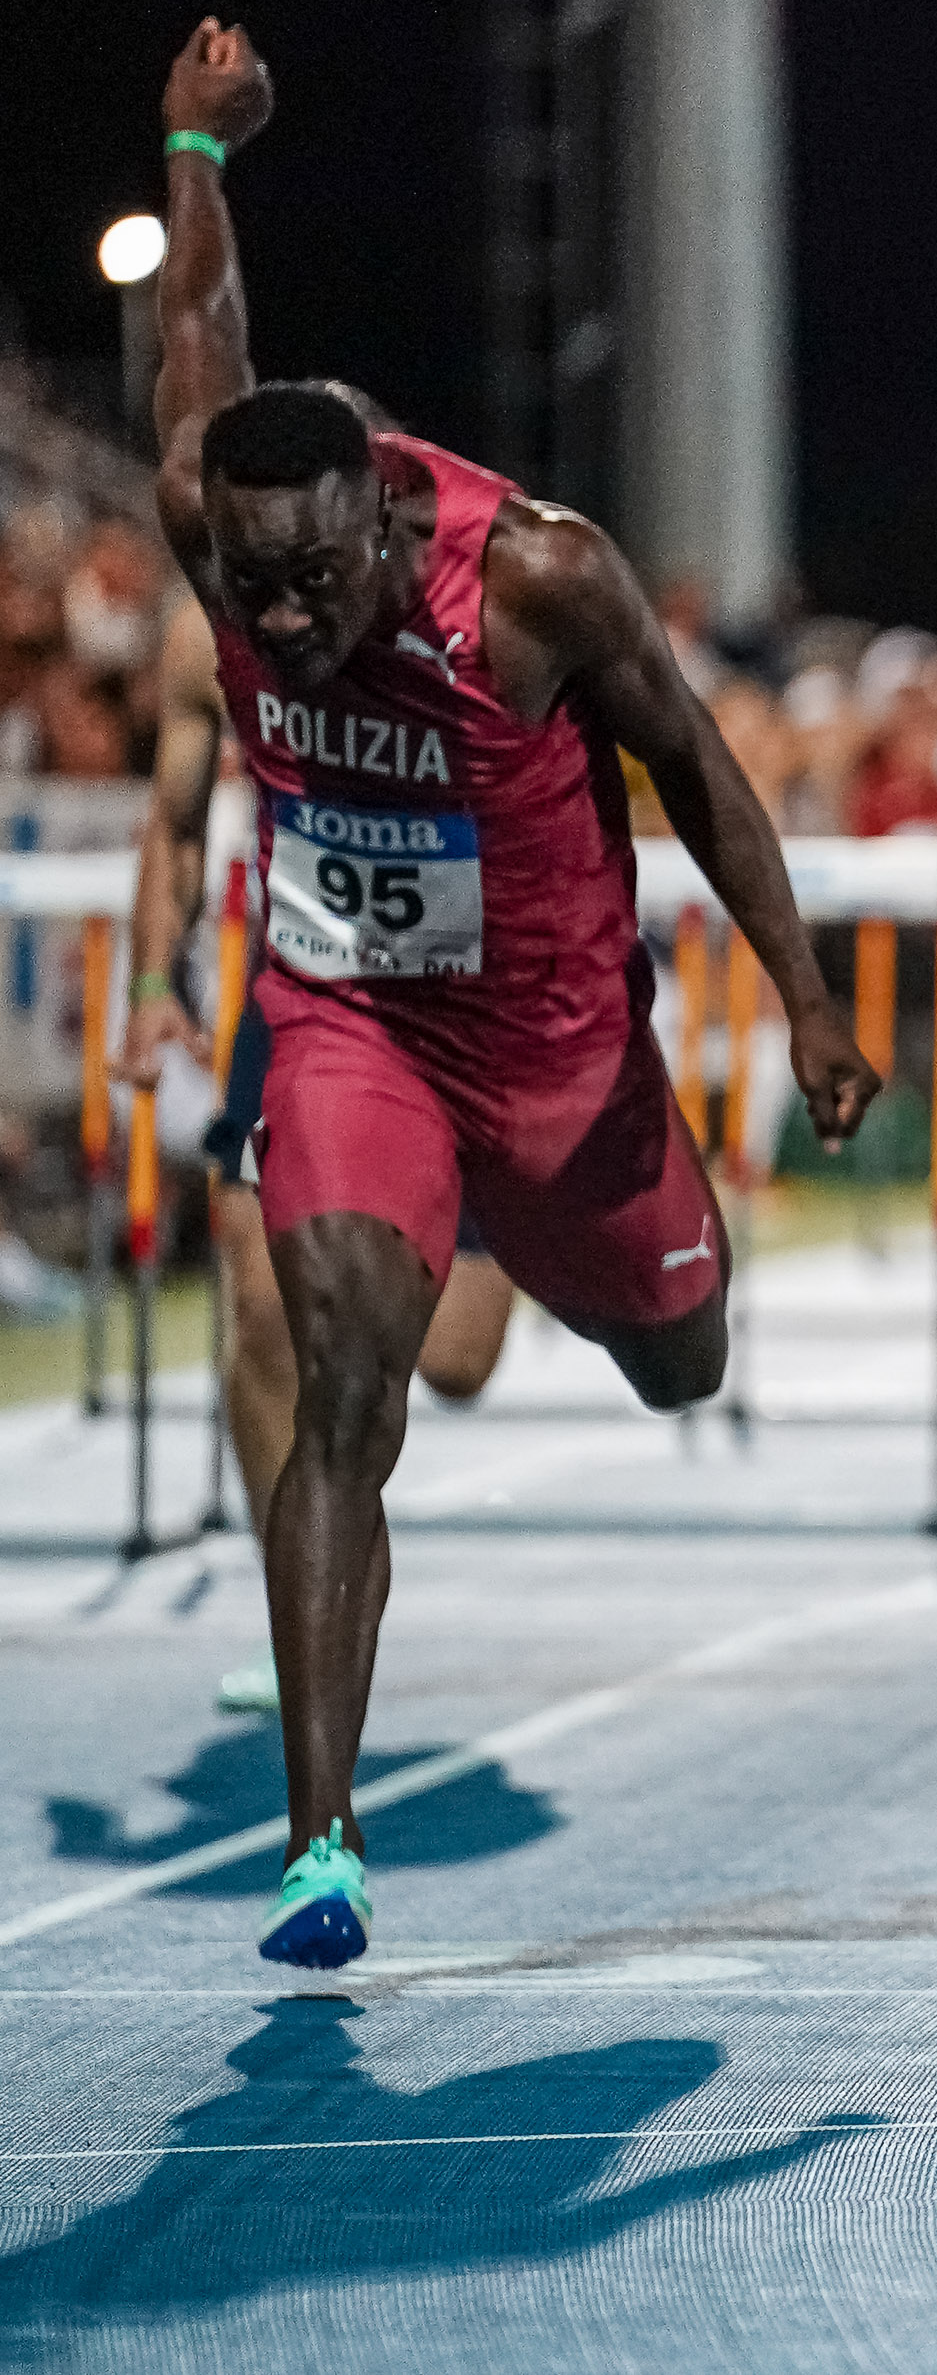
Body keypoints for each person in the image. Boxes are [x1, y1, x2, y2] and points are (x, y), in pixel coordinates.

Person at [138, 19, 878, 1970]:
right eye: (250, 592)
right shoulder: (224, 516)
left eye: (312, 588)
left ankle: (587, 1258)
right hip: (351, 1022)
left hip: (563, 1059)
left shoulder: (537, 578)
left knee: (681, 1359)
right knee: (344, 1383)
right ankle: (321, 1844)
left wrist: (806, 997)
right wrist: (196, 154)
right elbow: (197, 334)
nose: (277, 625)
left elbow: (696, 764)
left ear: (388, 521)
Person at [123, 590, 522, 1714]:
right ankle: (296, 1618)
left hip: (466, 1005)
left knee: (458, 1359)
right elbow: (177, 819)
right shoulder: (209, 628)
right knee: (260, 1303)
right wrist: (152, 981)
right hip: (306, 991)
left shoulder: (487, 604)